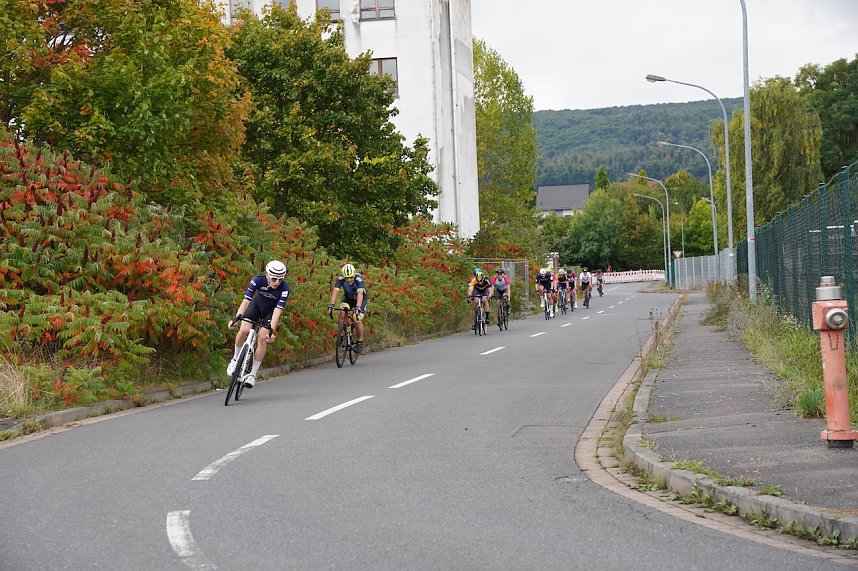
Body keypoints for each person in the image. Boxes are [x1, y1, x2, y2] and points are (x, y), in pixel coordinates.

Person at [227, 260, 290, 388]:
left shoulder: (285, 289)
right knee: (244, 330)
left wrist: (271, 331)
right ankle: (235, 359)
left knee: (262, 337)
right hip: (256, 306)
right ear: (267, 275)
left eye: (280, 279)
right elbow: (246, 301)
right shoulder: (257, 280)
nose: (277, 282)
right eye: (274, 279)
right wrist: (236, 318)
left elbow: (277, 312)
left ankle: (252, 374)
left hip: (270, 312)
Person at [328, 263, 367, 353]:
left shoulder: (359, 279)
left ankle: (360, 342)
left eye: (351, 277)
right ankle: (341, 335)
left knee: (356, 318)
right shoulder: (340, 279)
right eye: (347, 278)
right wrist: (331, 305)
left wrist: (357, 307)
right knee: (342, 312)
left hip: (360, 300)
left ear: (354, 275)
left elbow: (360, 294)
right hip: (348, 299)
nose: (349, 280)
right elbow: (335, 291)